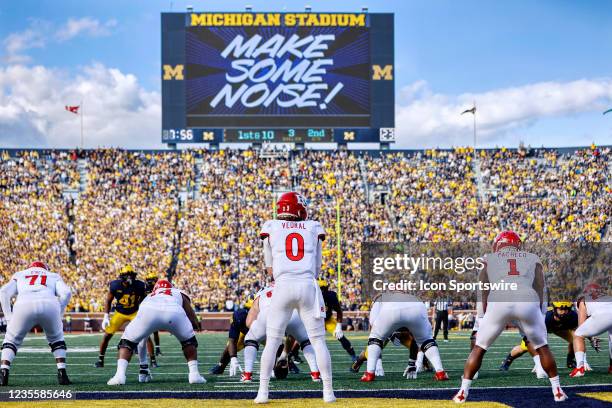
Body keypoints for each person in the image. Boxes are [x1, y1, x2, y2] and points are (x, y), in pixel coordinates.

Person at [453, 231, 567, 403]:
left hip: (499, 299)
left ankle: (462, 392)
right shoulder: (532, 257)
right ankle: (557, 390)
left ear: (498, 244)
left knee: (479, 348)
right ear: (518, 244)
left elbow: (483, 290)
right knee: (543, 347)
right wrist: (541, 311)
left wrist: (482, 316)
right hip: (526, 298)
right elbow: (541, 287)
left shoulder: (488, 258)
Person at [254, 192, 335, 403]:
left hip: (283, 285)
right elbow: (317, 268)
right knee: (318, 341)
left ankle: (263, 392)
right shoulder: (314, 227)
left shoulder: (271, 226)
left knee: (272, 342)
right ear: (299, 208)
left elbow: (269, 267)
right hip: (308, 285)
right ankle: (328, 392)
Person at [107, 279, 204, 385]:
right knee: (188, 341)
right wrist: (193, 326)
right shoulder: (177, 292)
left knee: (127, 342)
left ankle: (120, 376)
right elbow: (190, 314)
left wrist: (143, 366)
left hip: (148, 312)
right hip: (174, 312)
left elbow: (142, 338)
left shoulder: (149, 296)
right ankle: (194, 374)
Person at [0, 261, 72, 386]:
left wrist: (8, 318)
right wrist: (58, 311)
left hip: (24, 303)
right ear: (45, 268)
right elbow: (66, 293)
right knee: (56, 339)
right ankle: (62, 373)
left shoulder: (20, 274)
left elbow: (4, 292)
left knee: (11, 340)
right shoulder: (53, 275)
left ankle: (3, 373)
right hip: (49, 303)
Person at [360, 292, 448, 382]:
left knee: (376, 337)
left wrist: (390, 334)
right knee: (426, 340)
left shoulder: (379, 299)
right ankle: (440, 373)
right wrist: (412, 363)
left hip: (391, 309)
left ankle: (369, 373)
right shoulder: (413, 297)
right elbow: (415, 339)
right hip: (417, 307)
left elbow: (373, 326)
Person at [242, 285, 321, 383]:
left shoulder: (261, 292)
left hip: (269, 312)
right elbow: (292, 335)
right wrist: (284, 354)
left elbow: (249, 322)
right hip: (293, 312)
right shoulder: (291, 287)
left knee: (250, 339)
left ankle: (247, 375)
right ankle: (315, 373)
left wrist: (264, 336)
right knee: (305, 340)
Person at [94, 265, 146, 368]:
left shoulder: (139, 285)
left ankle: (145, 363)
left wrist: (140, 308)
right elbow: (108, 300)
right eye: (127, 276)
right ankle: (100, 359)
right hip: (120, 313)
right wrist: (106, 316)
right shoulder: (115, 285)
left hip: (134, 312)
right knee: (107, 335)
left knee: (144, 336)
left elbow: (144, 298)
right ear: (122, 277)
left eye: (131, 275)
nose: (130, 278)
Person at [569, 283, 612, 377]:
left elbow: (581, 325)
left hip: (602, 314)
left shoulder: (582, 300)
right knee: (611, 338)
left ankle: (580, 367)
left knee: (578, 334)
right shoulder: (606, 295)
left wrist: (592, 338)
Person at [208, 297, 253, 376]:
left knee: (275, 345)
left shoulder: (269, 315)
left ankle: (277, 367)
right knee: (230, 346)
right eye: (250, 310)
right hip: (246, 332)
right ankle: (221, 366)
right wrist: (233, 358)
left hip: (265, 331)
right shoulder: (239, 316)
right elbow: (232, 340)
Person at [318, 278, 357, 361]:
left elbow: (339, 311)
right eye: (319, 289)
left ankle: (353, 355)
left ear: (326, 288)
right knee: (302, 337)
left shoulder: (331, 296)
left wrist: (339, 326)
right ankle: (292, 356)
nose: (321, 291)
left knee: (340, 336)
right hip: (314, 320)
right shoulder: (310, 296)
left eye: (323, 289)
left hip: (327, 319)